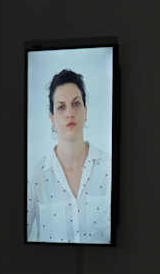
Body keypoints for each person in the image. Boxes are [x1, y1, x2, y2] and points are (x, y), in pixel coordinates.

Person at [27, 68, 112, 243]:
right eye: (61, 107)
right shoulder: (36, 176)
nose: (69, 114)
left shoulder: (108, 169)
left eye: (76, 104)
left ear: (85, 111)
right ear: (52, 119)